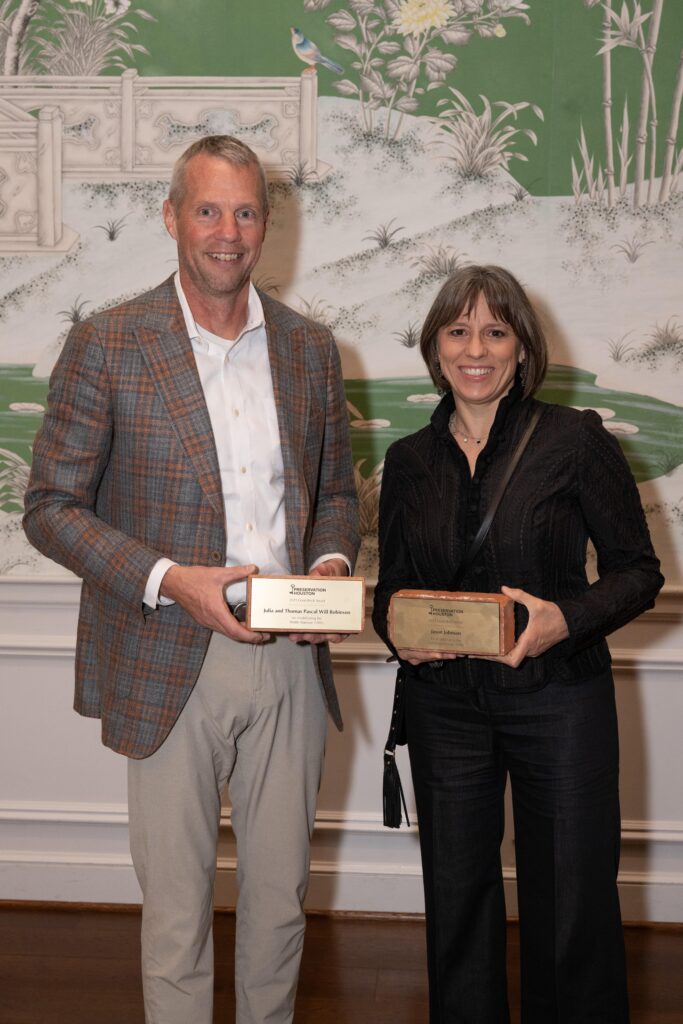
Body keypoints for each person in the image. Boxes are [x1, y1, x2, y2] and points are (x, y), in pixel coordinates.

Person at [23, 134, 359, 1024]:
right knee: (176, 919)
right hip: (167, 653)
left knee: (280, 904)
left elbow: (332, 492)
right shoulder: (109, 342)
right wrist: (172, 579)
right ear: (171, 217)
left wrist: (328, 566)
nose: (227, 230)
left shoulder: (308, 349)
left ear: (266, 226)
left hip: (289, 658)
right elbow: (51, 507)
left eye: (245, 211)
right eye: (207, 209)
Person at [372, 265, 663, 1023]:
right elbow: (390, 592)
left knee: (570, 900)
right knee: (457, 902)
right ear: (435, 348)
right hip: (445, 711)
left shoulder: (573, 440)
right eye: (458, 330)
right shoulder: (408, 460)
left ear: (521, 348)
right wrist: (403, 636)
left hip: (559, 700)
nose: (476, 348)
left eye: (495, 332)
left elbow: (637, 572)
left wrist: (562, 621)